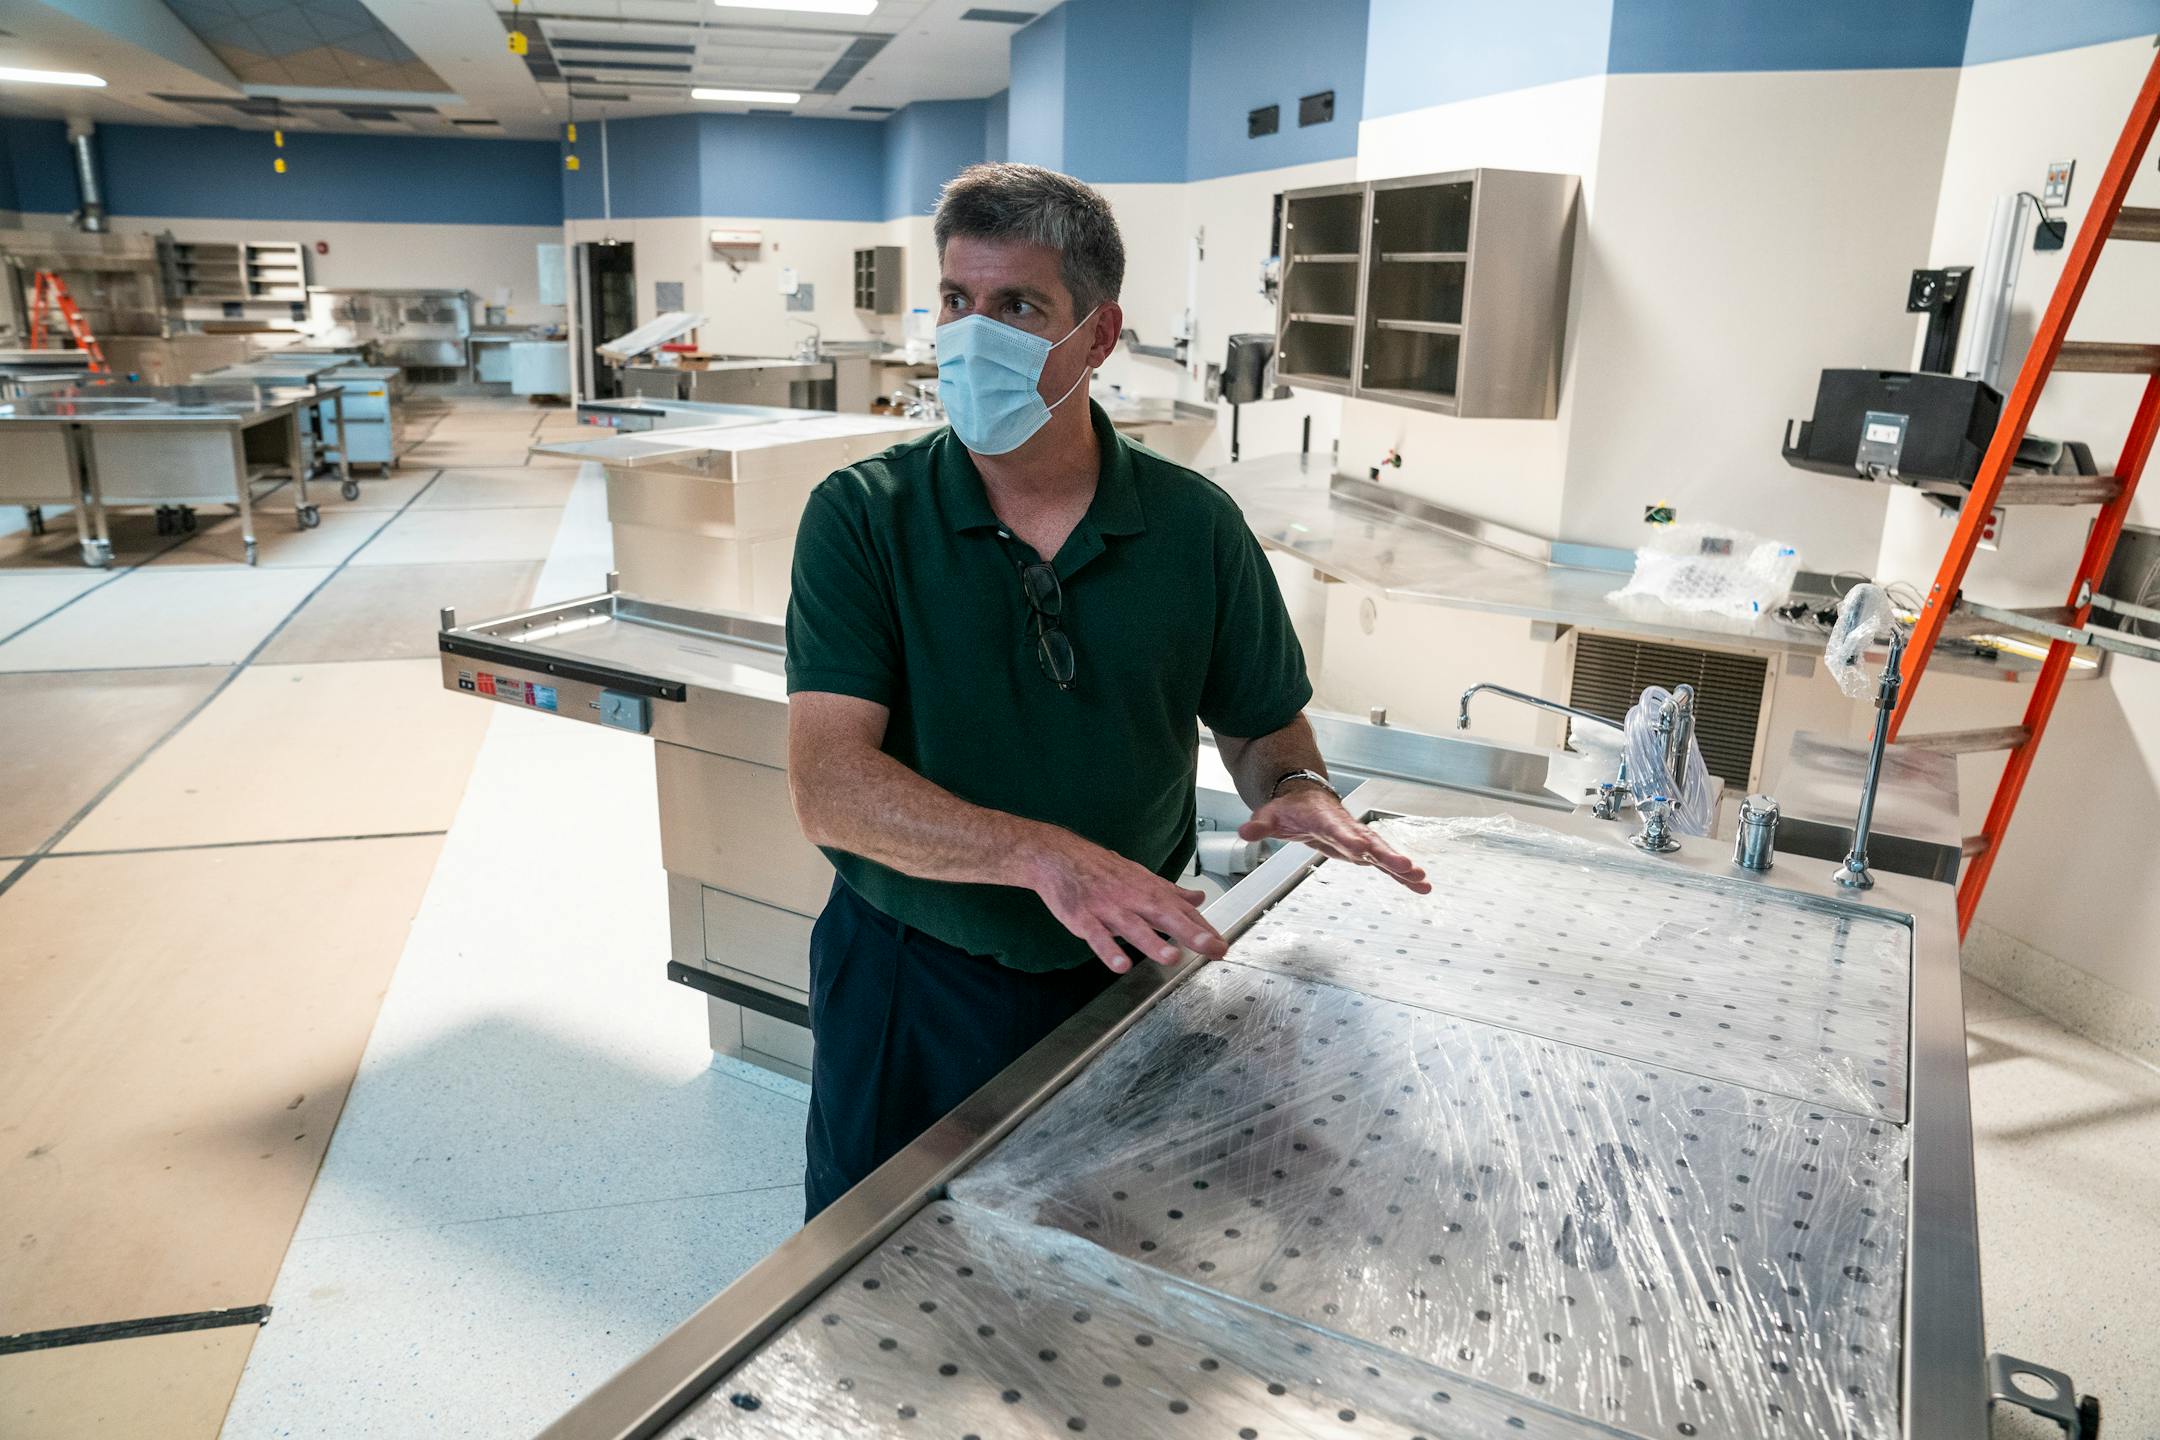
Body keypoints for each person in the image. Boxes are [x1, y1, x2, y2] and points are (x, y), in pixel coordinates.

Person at [784, 162, 1429, 1220]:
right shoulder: (865, 518)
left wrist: (1299, 786)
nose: (971, 335)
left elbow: (1261, 724)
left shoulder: (1193, 529)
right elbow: (830, 788)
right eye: (956, 300)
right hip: (911, 982)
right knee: (880, 1249)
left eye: (1017, 307)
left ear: (1099, 335)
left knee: (1106, 1244)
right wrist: (1046, 859)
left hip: (1126, 972)